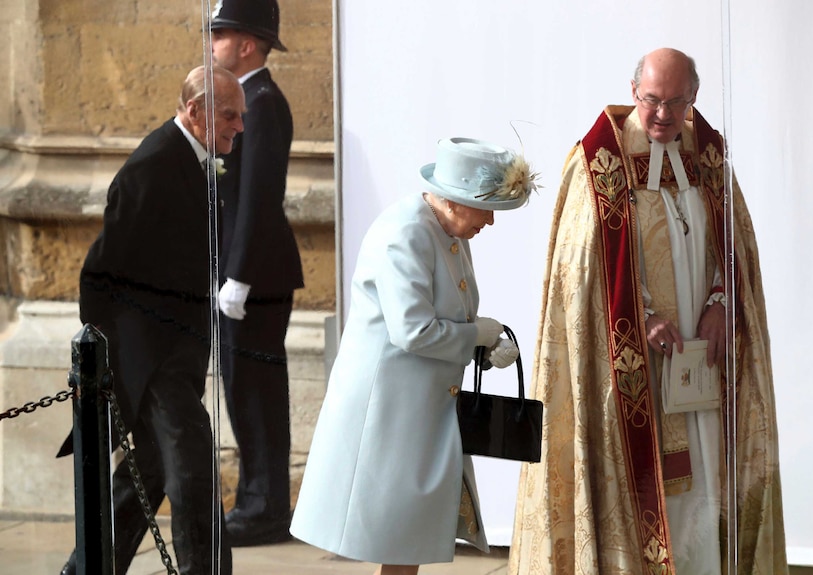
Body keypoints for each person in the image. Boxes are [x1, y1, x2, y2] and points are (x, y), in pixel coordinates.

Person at [508, 48, 788, 575]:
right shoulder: (598, 164)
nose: (662, 114)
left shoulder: (707, 157)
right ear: (633, 91)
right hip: (630, 365)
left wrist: (722, 302)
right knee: (647, 478)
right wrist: (639, 315)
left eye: (675, 102)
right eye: (652, 100)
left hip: (702, 365)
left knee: (706, 478)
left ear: (694, 98)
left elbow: (736, 249)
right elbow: (582, 274)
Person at [290, 136, 536, 575]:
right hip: (388, 411)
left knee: (409, 540)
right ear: (457, 200)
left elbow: (450, 316)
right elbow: (413, 331)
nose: (492, 222)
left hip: (419, 411)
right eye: (489, 208)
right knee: (402, 538)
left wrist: (484, 348)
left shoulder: (447, 231)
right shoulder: (406, 232)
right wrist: (479, 333)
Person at [57, 65, 245, 575]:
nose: (239, 126)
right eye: (229, 115)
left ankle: (84, 571)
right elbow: (98, 275)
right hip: (152, 355)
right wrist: (106, 361)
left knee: (153, 470)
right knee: (193, 467)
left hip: (176, 350)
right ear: (194, 111)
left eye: (241, 115)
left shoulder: (195, 159)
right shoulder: (152, 166)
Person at [209, 0, 304, 547]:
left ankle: (264, 507)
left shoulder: (263, 102)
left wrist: (238, 276)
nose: (213, 43)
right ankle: (256, 500)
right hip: (244, 274)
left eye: (221, 35)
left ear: (247, 44)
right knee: (244, 391)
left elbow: (260, 199)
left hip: (258, 279)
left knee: (256, 393)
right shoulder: (248, 99)